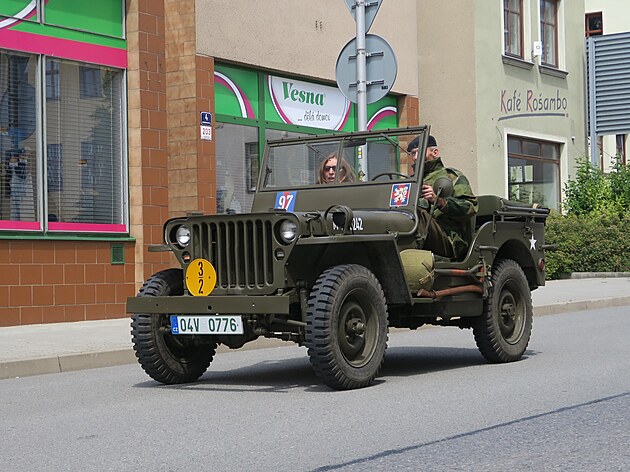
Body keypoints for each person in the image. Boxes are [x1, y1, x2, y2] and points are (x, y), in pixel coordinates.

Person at [407, 135, 478, 259]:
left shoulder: (451, 176)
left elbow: (470, 207)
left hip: (449, 238)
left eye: (420, 152)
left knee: (416, 213)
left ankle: (409, 254)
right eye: (413, 153)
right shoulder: (410, 181)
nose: (416, 157)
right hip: (422, 234)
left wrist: (439, 201)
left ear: (435, 152)